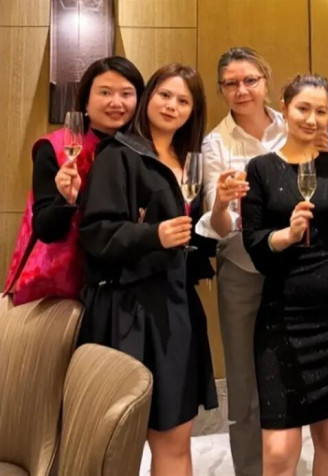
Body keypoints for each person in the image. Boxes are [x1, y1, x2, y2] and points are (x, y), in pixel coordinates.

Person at [78, 64, 218, 476]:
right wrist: (153, 234)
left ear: (193, 111)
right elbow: (96, 234)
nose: (172, 106)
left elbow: (195, 239)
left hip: (176, 309)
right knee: (114, 444)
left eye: (183, 101)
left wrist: (222, 212)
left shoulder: (187, 162)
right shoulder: (118, 154)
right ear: (148, 98)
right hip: (127, 310)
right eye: (164, 95)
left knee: (176, 438)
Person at [196, 46, 327, 476]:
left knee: (294, 370)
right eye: (231, 83)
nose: (242, 90)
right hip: (243, 269)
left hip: (296, 267)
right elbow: (218, 225)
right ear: (222, 90)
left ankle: (286, 465)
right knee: (244, 380)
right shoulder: (216, 142)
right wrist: (222, 203)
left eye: (250, 80)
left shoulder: (293, 124)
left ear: (266, 82)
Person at [241, 74, 328, 476]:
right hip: (281, 317)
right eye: (303, 108)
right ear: (284, 107)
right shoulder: (260, 169)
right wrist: (287, 235)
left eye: (321, 111)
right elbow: (254, 244)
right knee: (279, 450)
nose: (312, 119)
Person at [4, 56, 144, 303]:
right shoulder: (57, 147)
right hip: (63, 290)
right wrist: (65, 201)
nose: (116, 102)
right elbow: (44, 230)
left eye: (126, 94)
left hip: (126, 288)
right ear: (86, 101)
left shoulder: (144, 152)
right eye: (105, 92)